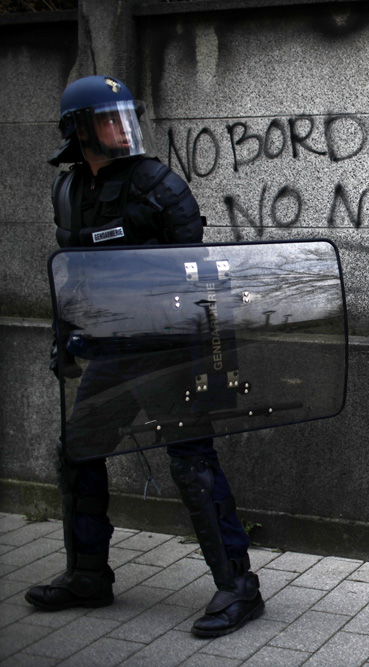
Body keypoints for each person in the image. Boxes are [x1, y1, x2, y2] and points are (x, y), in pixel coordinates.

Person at [25, 75, 264, 639]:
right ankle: (88, 575)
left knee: (192, 464)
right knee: (78, 451)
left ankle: (238, 587)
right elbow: (73, 276)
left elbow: (202, 279)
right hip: (110, 350)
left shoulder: (160, 186)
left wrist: (209, 361)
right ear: (79, 130)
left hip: (168, 352)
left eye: (124, 116)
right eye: (107, 119)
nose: (120, 128)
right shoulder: (68, 191)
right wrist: (65, 336)